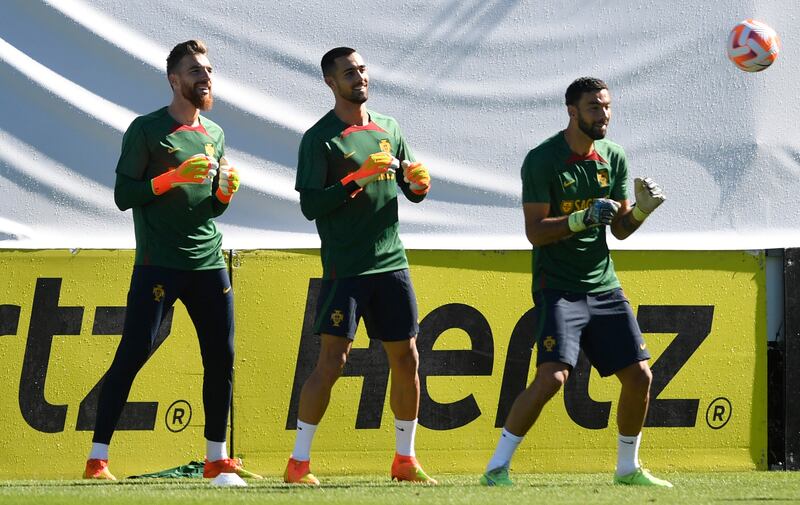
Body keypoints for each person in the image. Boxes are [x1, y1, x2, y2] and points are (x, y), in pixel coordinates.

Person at [479, 77, 672, 488]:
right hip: (559, 286)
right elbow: (534, 231)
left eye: (606, 106)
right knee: (553, 377)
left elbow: (618, 230)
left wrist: (641, 211)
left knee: (640, 377)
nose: (603, 115)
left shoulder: (613, 157)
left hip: (603, 284)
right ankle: (496, 469)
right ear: (572, 111)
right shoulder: (542, 159)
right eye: (593, 107)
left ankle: (627, 469)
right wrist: (580, 219)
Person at [82, 39, 259, 481]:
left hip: (208, 262)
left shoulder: (214, 134)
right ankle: (97, 460)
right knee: (134, 353)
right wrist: (172, 178)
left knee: (222, 355)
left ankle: (217, 461)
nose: (206, 77)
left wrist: (224, 194)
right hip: (159, 264)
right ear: (174, 79)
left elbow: (210, 208)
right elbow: (125, 195)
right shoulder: (146, 130)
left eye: (209, 70)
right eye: (196, 70)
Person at [285, 47, 435, 486]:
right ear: (331, 82)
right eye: (349, 73)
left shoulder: (389, 128)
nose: (360, 77)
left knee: (406, 358)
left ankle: (404, 460)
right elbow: (311, 205)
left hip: (391, 264)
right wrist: (355, 178)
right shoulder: (320, 139)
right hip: (345, 269)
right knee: (333, 361)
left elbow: (411, 188)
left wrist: (418, 184)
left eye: (363, 69)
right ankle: (298, 464)